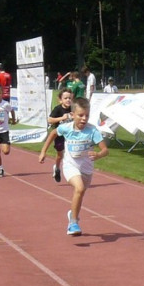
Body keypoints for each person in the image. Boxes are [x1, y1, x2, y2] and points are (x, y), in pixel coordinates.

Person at [38, 97, 108, 236]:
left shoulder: (92, 131)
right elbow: (53, 133)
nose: (84, 119)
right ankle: (73, 223)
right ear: (72, 115)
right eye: (80, 115)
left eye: (87, 115)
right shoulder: (66, 128)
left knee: (80, 192)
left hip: (86, 168)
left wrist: (98, 155)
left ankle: (72, 215)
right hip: (70, 165)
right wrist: (43, 151)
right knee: (79, 188)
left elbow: (105, 150)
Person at [46, 89, 75, 182]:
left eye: (70, 98)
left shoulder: (74, 109)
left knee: (70, 154)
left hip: (71, 136)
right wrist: (62, 118)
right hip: (59, 135)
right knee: (60, 155)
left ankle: (72, 173)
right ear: (60, 100)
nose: (68, 100)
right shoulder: (58, 109)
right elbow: (49, 120)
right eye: (65, 98)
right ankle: (57, 168)